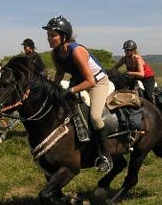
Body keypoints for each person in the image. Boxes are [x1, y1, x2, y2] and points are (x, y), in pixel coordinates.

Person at [43, 15, 112, 172]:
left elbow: (90, 81)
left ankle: (106, 156)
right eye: (48, 35)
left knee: (95, 116)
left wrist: (70, 90)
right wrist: (52, 88)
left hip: (97, 83)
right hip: (79, 82)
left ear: (64, 36)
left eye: (52, 35)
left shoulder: (77, 51)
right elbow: (60, 73)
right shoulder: (55, 53)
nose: (49, 38)